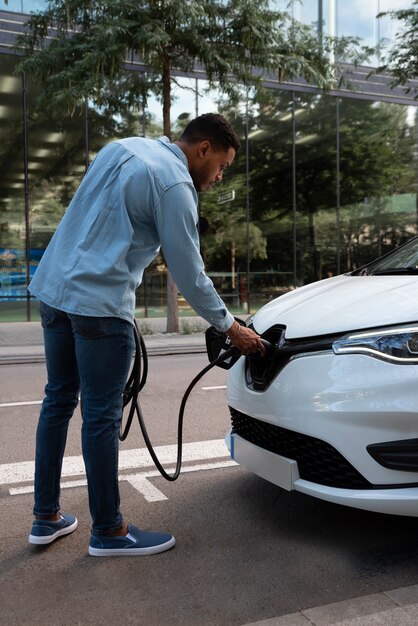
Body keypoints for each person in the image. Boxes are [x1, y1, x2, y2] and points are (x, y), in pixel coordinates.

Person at [28, 113, 265, 557]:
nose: (217, 178)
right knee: (99, 415)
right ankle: (109, 532)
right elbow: (189, 273)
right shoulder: (175, 186)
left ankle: (45, 518)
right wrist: (232, 328)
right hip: (100, 306)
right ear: (204, 150)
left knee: (58, 399)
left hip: (54, 291)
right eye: (222, 168)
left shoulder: (123, 148)